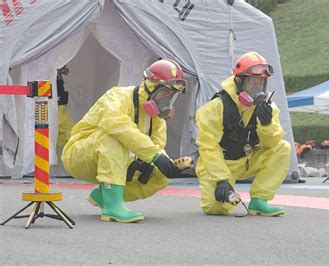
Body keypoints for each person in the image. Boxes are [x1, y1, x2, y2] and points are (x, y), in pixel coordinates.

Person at [61, 59, 187, 223]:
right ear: (150, 86)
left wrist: (168, 164)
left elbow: (157, 148)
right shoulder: (118, 96)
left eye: (171, 96)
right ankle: (112, 206)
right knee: (115, 137)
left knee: (160, 175)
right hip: (80, 155)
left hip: (117, 161)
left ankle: (104, 196)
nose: (166, 100)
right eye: (164, 93)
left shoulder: (157, 118)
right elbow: (115, 124)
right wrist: (155, 155)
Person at [195, 51, 291, 217]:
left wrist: (267, 124)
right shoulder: (215, 108)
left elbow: (271, 144)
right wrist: (221, 180)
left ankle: (259, 201)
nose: (258, 87)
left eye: (261, 82)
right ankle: (223, 185)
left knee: (282, 147)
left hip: (248, 160)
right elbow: (208, 148)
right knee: (216, 209)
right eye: (253, 82)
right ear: (239, 81)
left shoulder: (268, 108)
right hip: (222, 164)